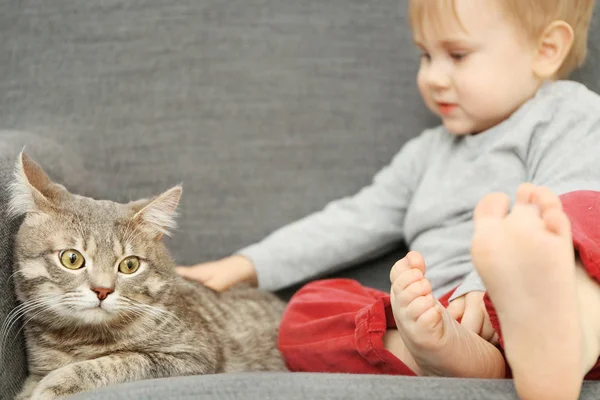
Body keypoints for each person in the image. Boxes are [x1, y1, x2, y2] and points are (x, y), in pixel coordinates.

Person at [178, 0, 600, 398]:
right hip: (442, 314)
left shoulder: (566, 113)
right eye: (425, 55)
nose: (433, 76)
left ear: (545, 50)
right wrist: (246, 265)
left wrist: (489, 284)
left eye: (456, 55)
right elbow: (352, 219)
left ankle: (557, 346)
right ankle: (447, 355)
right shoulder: (426, 154)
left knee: (581, 210)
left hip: (536, 295)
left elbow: (565, 201)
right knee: (305, 312)